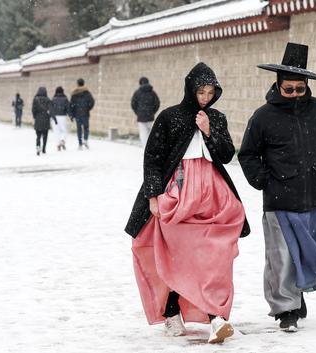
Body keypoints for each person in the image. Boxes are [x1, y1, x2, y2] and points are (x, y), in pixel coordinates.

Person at [125, 62, 250, 344]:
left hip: (214, 194)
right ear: (190, 89)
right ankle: (171, 312)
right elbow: (153, 158)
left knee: (215, 256)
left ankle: (216, 316)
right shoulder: (170, 117)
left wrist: (209, 131)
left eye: (210, 92)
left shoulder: (216, 117)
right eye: (201, 92)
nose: (205, 97)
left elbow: (228, 154)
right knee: (179, 256)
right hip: (178, 193)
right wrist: (153, 195)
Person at [238, 42, 316, 332]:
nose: (295, 95)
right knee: (281, 257)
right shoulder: (263, 116)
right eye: (289, 90)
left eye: (300, 89)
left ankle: (297, 293)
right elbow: (247, 154)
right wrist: (263, 180)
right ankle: (285, 309)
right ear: (278, 85)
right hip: (280, 197)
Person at [131, 76, 160, 148]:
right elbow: (157, 103)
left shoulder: (137, 93)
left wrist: (137, 113)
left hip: (141, 117)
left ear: (140, 83)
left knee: (143, 134)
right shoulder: (153, 92)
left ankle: (145, 150)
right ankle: (152, 149)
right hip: (150, 117)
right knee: (152, 134)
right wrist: (153, 112)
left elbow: (133, 104)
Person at [69, 78, 94, 150]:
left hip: (77, 114)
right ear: (83, 83)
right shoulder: (87, 92)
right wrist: (88, 108)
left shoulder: (74, 93)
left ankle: (80, 144)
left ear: (77, 84)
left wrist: (72, 114)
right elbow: (92, 102)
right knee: (86, 128)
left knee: (79, 129)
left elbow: (71, 105)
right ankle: (85, 140)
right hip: (85, 113)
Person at [32, 87, 54, 156]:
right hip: (45, 119)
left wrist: (35, 116)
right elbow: (51, 110)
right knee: (45, 135)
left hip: (38, 119)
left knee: (38, 135)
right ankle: (44, 148)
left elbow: (33, 110)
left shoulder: (35, 99)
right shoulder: (48, 100)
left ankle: (38, 146)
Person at [51, 86, 70, 151]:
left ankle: (58, 144)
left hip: (55, 117)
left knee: (56, 131)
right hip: (63, 116)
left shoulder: (54, 99)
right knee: (64, 130)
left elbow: (51, 108)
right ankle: (62, 140)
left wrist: (51, 115)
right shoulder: (65, 98)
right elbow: (68, 108)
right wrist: (71, 115)